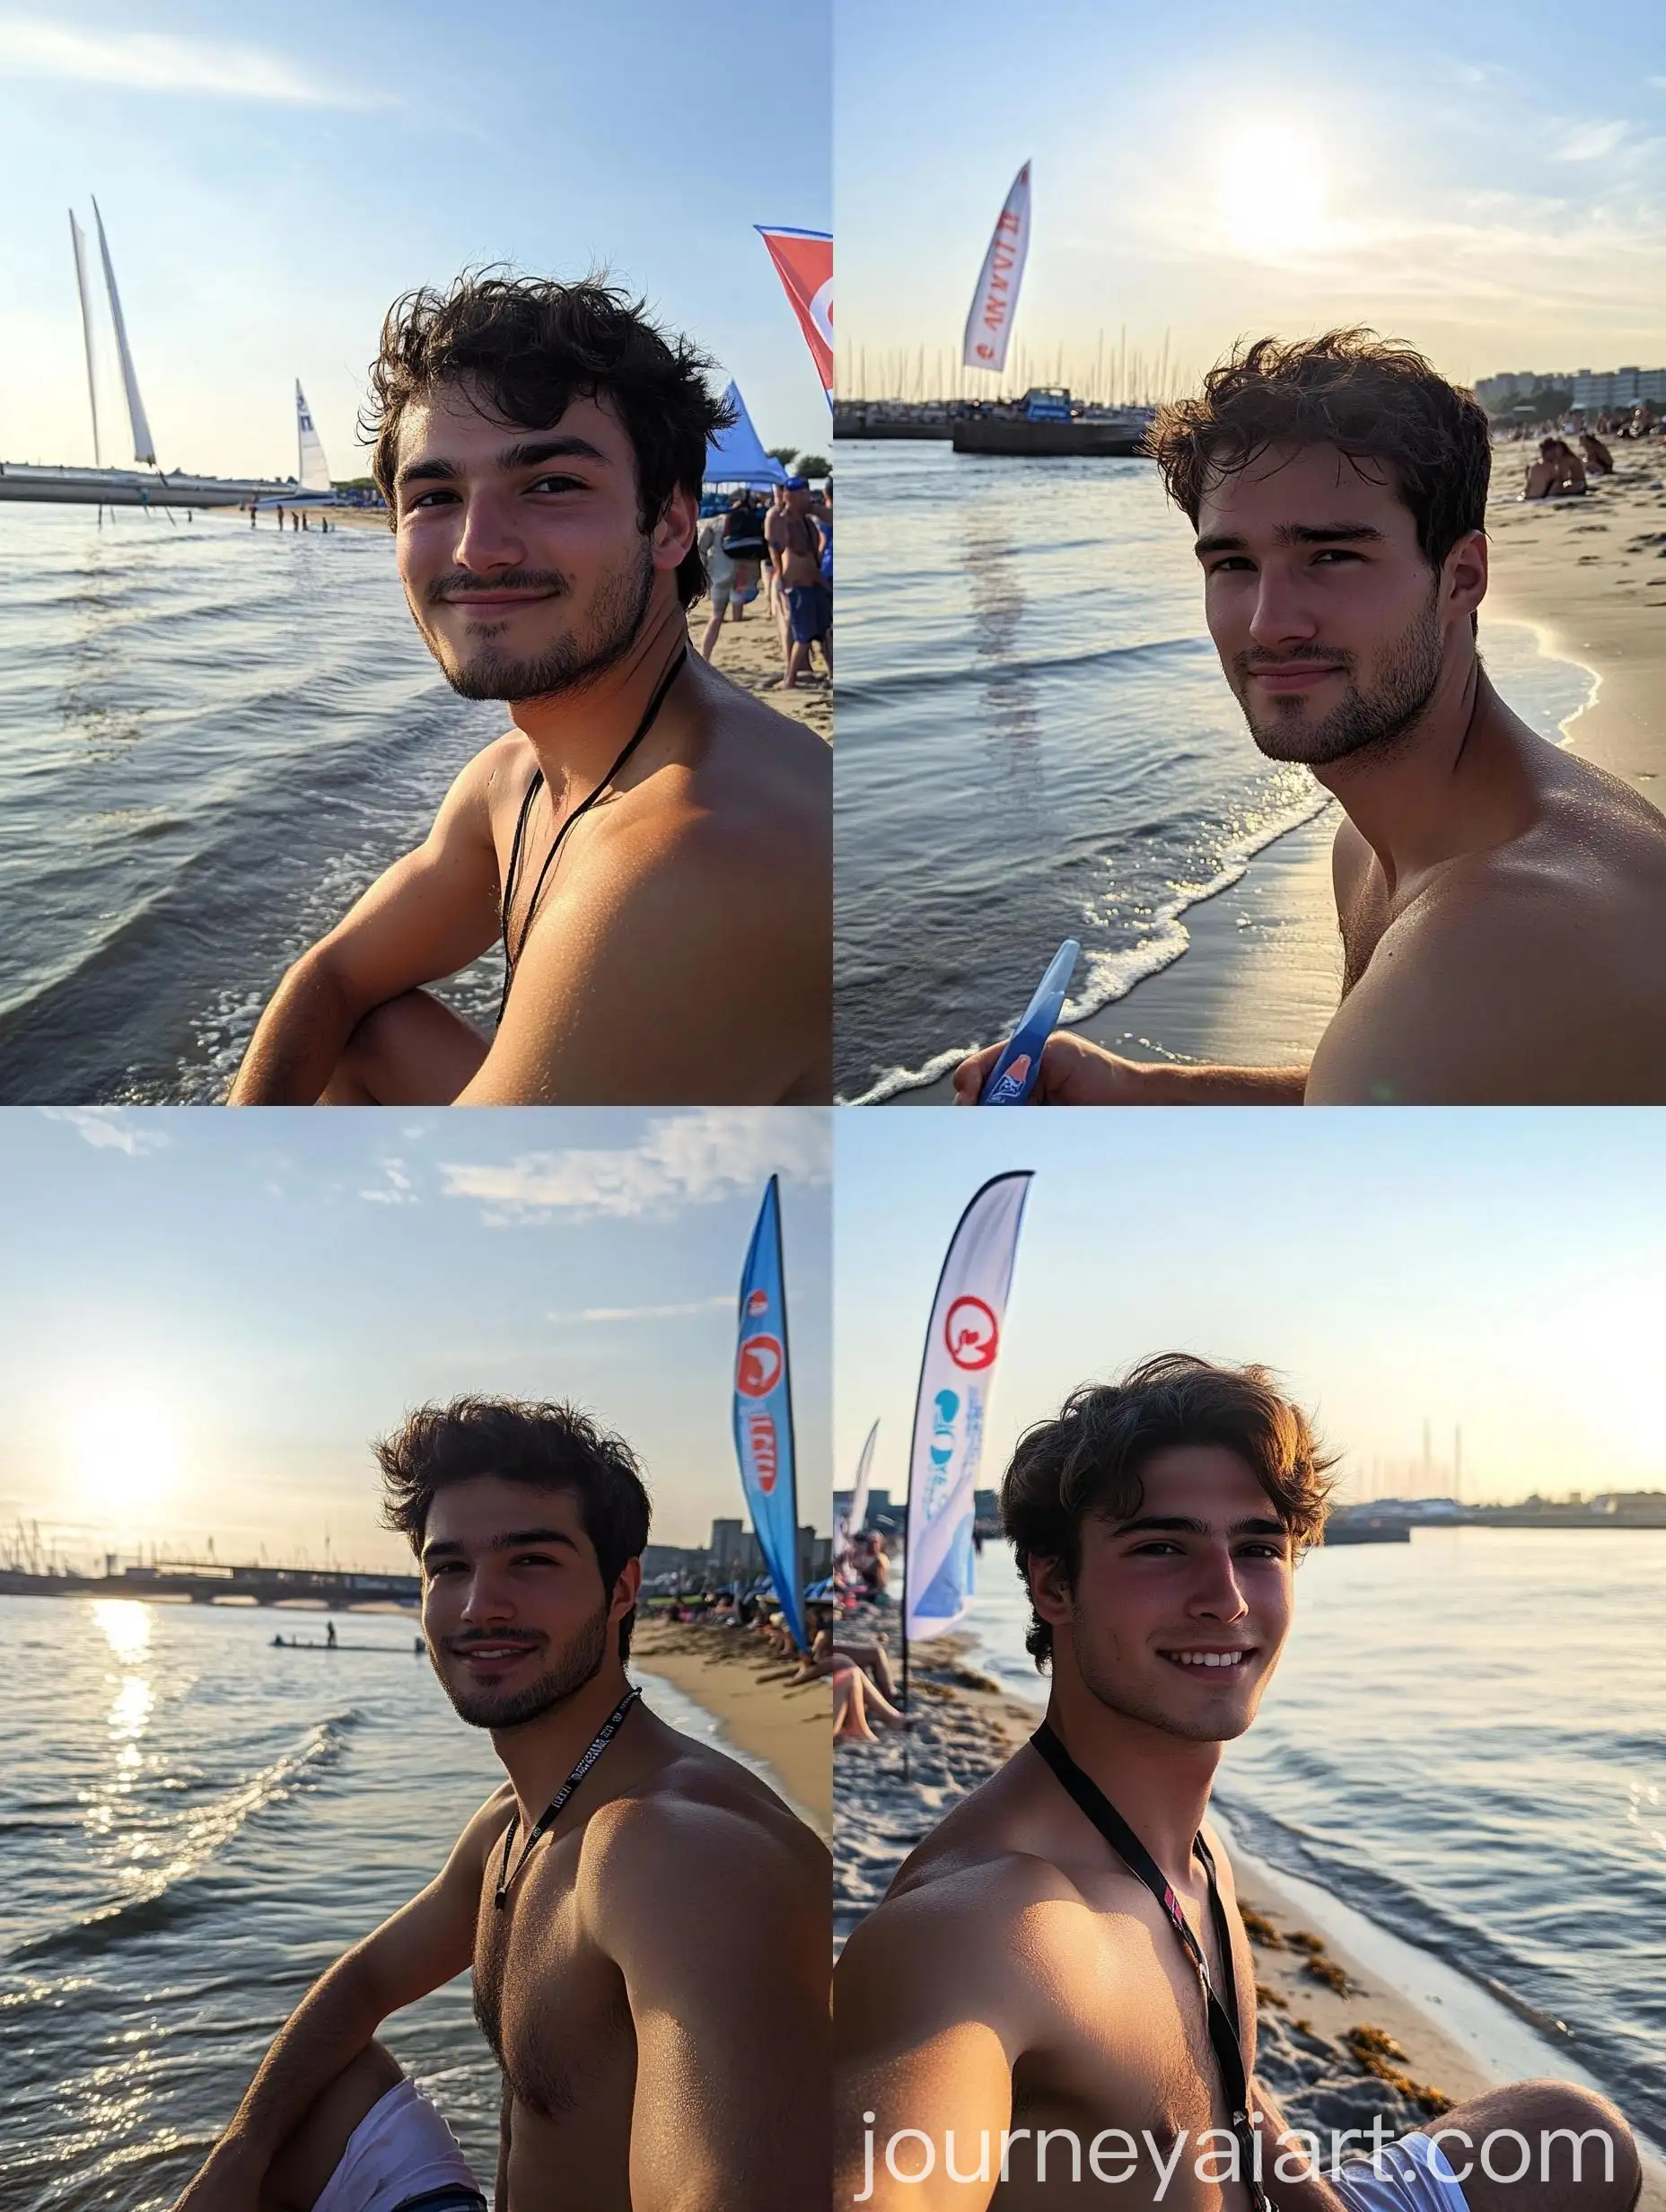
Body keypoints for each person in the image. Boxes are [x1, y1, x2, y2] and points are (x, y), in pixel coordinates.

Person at [834, 1355, 1642, 2211]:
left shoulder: (1193, 1845)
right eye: (1161, 1548)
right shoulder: (990, 1927)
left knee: (1576, 2135)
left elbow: (1220, 2088)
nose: (1224, 1598)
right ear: (1053, 1582)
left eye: (1258, 1548)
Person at [954, 330, 1666, 1106]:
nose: (1269, 623)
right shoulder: (1378, 844)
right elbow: (1383, 1091)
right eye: (1232, 563)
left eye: (1330, 556)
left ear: (1462, 577)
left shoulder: (1493, 942)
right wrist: (1140, 1089)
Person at [175, 1397, 828, 2212]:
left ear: (622, 1588)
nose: (481, 1604)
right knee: (318, 2095)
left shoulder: (670, 1852)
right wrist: (235, 2160)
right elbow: (369, 1979)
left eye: (531, 1562)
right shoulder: (515, 1824)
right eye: (449, 1567)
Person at [228, 273, 830, 1108]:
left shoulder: (694, 861)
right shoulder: (514, 779)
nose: (479, 549)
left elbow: (490, 1225)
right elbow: (329, 978)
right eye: (435, 496)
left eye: (551, 484)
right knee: (367, 1032)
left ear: (668, 524)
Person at [772, 477, 833, 689]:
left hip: (815, 581)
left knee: (825, 632)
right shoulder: (782, 518)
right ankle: (789, 679)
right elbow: (774, 547)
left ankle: (833, 674)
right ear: (790, 496)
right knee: (803, 635)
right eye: (802, 494)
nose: (807, 498)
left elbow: (833, 518)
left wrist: (814, 509)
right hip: (796, 583)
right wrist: (779, 576)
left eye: (808, 493)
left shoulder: (808, 519)